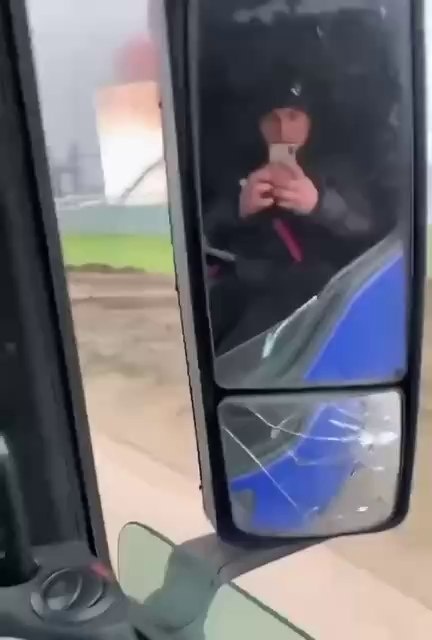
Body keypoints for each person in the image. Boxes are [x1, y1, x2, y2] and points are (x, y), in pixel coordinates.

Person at [204, 79, 397, 354]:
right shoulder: (240, 173)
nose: (282, 129)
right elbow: (208, 232)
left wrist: (319, 203)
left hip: (314, 300)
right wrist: (239, 210)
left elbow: (373, 229)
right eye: (272, 119)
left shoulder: (340, 171)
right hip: (246, 287)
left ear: (310, 120)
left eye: (293, 116)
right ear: (258, 125)